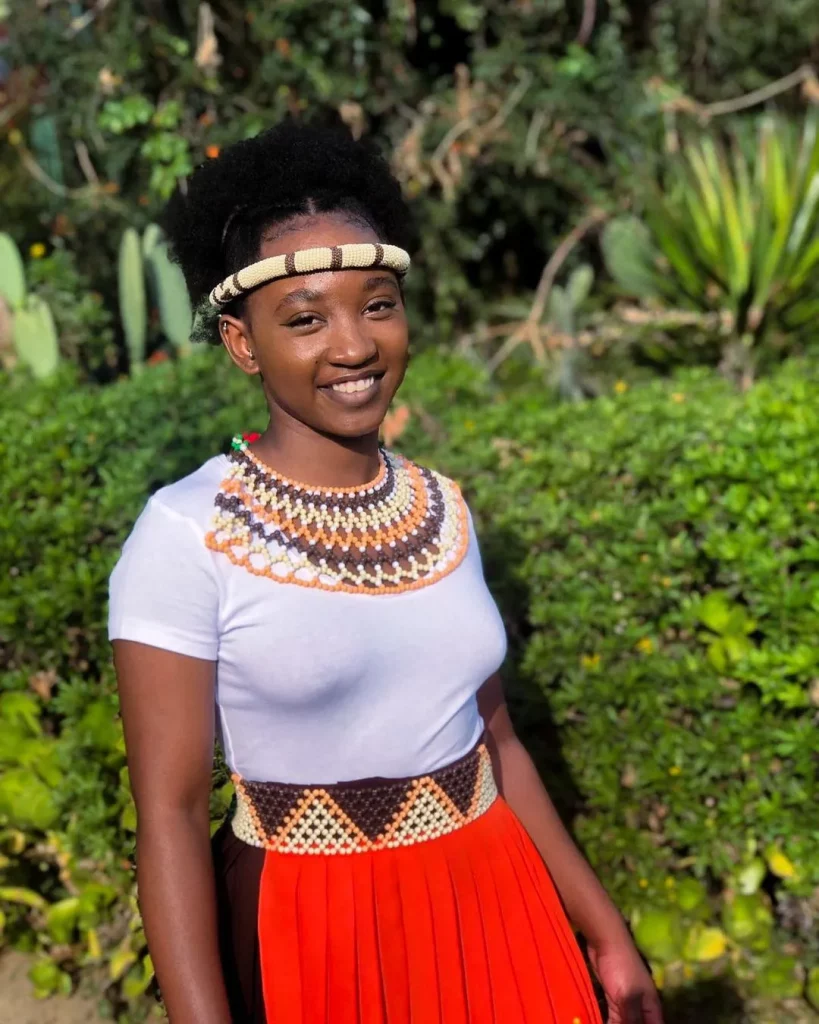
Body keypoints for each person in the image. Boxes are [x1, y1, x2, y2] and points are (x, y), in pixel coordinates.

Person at [108, 119, 663, 1024]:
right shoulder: (184, 534)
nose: (355, 345)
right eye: (304, 319)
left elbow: (498, 742)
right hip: (309, 931)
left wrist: (605, 936)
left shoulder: (443, 508)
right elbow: (167, 817)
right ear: (243, 344)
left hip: (494, 901)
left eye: (375, 304)